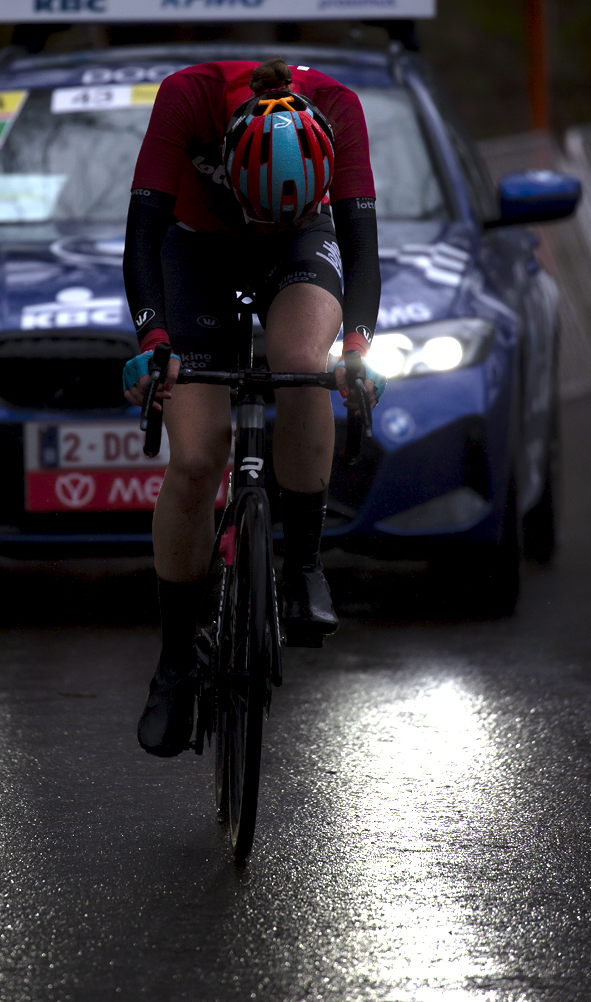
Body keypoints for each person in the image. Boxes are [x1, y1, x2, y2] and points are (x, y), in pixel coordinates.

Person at [122, 58, 384, 757]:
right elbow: (142, 234)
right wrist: (154, 339)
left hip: (302, 243)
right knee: (198, 453)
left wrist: (355, 345)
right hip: (198, 250)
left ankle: (301, 564)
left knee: (303, 366)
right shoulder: (187, 98)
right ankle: (176, 664)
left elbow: (362, 249)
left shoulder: (339, 105)